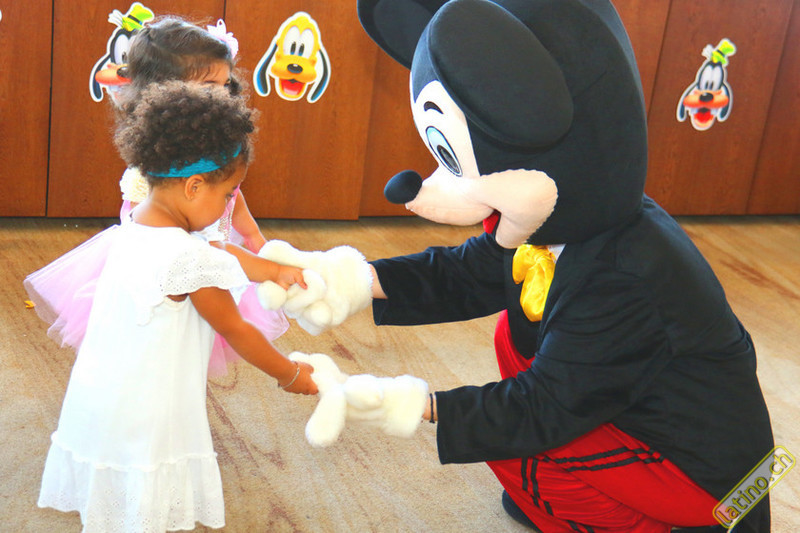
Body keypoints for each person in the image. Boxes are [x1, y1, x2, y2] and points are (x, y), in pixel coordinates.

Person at [37, 81, 318, 532]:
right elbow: (236, 329)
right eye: (228, 195)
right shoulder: (188, 259)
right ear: (193, 186)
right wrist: (289, 374)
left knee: (115, 481)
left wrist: (270, 270)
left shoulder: (135, 225)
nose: (228, 206)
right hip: (149, 409)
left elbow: (215, 249)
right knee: (143, 489)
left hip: (102, 395)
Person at [24, 16, 283, 375]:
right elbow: (150, 237)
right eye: (209, 85)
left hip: (208, 251)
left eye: (226, 85)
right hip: (161, 268)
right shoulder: (159, 160)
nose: (222, 96)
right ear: (164, 90)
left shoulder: (220, 140)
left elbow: (231, 192)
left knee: (199, 333)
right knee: (160, 338)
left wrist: (252, 233)